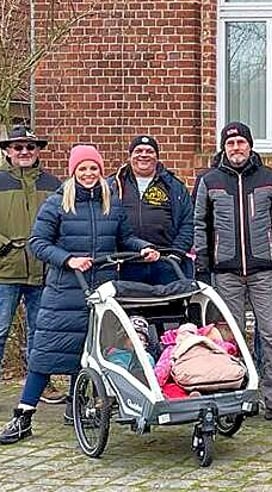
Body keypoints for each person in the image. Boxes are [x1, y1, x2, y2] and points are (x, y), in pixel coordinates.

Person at [0, 145, 159, 444]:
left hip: (102, 291)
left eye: (93, 168)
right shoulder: (58, 203)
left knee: (90, 353)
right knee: (46, 353)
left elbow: (125, 238)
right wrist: (68, 259)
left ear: (101, 171)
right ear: (73, 172)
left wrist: (143, 248)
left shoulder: (111, 204)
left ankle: (76, 408)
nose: (88, 174)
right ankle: (23, 416)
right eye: (82, 168)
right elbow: (38, 242)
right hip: (65, 291)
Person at [193, 121, 272, 425]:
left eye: (241, 142)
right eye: (230, 143)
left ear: (250, 146)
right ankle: (234, 396)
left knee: (271, 334)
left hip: (264, 271)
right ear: (223, 148)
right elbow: (200, 223)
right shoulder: (209, 181)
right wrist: (202, 263)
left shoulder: (271, 179)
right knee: (230, 336)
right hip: (226, 272)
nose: (236, 148)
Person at [0, 126, 61, 399]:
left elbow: (63, 222)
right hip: (5, 271)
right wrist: (4, 246)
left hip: (43, 272)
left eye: (30, 147)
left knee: (40, 332)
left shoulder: (53, 185)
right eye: (18, 147)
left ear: (38, 151)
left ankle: (39, 385)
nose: (24, 151)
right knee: (0, 330)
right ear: (7, 151)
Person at [109, 135, 193, 284]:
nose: (144, 155)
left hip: (165, 263)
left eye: (149, 151)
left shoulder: (174, 186)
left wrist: (175, 255)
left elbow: (188, 223)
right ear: (130, 156)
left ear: (157, 157)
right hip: (125, 264)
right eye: (138, 151)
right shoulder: (113, 185)